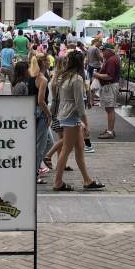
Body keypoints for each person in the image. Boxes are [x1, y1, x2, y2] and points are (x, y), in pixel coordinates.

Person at [51, 51, 105, 192]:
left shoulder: (64, 77)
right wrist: (85, 122)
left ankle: (87, 180)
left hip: (66, 114)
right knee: (66, 150)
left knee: (79, 148)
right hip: (71, 116)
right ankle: (58, 182)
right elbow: (79, 103)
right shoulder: (76, 79)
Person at [28, 53, 52, 184]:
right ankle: (34, 172)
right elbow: (41, 101)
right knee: (40, 145)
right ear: (43, 63)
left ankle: (36, 167)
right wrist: (49, 114)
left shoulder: (32, 76)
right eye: (48, 61)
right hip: (40, 113)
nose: (49, 63)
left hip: (33, 111)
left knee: (48, 142)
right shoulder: (42, 79)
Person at [92, 43, 120, 139]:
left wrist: (97, 75)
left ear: (109, 51)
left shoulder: (111, 60)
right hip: (110, 86)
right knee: (109, 109)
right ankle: (109, 129)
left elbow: (109, 76)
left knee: (110, 109)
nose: (102, 52)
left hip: (109, 86)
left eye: (103, 50)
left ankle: (110, 131)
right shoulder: (112, 59)